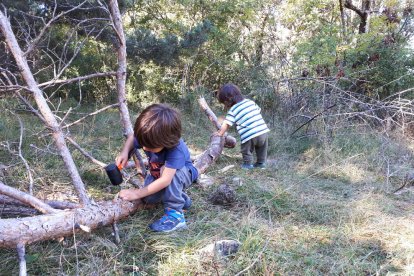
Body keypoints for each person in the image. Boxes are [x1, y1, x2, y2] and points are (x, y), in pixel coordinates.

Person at [116, 104, 198, 233]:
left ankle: (175, 215)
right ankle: (181, 198)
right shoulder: (149, 138)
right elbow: (133, 137)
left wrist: (137, 193)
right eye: (143, 145)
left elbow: (165, 180)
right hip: (157, 173)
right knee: (149, 198)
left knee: (170, 174)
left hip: (183, 172)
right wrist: (125, 152)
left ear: (167, 141)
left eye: (150, 147)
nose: (145, 148)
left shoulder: (176, 149)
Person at [215, 83, 270, 169]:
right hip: (263, 131)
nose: (225, 105)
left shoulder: (233, 109)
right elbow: (258, 110)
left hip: (249, 135)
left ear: (227, 100)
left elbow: (227, 123)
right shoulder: (250, 102)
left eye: (224, 103)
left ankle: (247, 164)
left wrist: (220, 133)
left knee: (246, 150)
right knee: (262, 148)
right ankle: (261, 163)